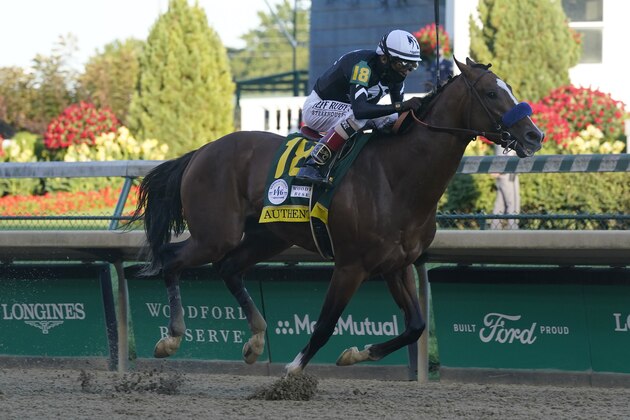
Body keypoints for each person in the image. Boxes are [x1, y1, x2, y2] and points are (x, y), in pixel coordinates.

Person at [296, 29, 424, 185]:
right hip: (316, 108)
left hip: (346, 112)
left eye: (412, 65)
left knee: (390, 119)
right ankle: (313, 163)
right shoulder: (362, 66)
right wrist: (401, 106)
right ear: (384, 58)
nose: (407, 71)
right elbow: (360, 110)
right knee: (358, 118)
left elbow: (398, 115)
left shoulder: (395, 76)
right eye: (402, 64)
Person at [490, 145, 520, 230]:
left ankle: (494, 231)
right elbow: (509, 154)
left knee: (499, 205)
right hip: (508, 172)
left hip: (502, 172)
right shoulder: (509, 134)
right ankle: (513, 231)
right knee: (513, 204)